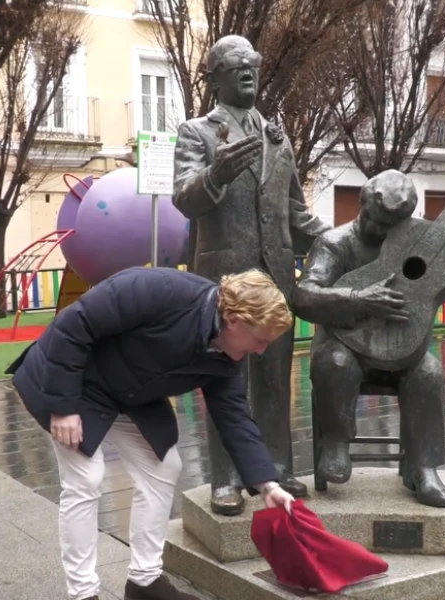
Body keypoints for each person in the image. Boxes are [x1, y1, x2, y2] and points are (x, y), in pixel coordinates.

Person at [6, 267, 298, 600]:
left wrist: (267, 485)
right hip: (72, 383)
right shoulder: (159, 289)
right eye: (260, 340)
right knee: (86, 478)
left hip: (129, 395)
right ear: (235, 319)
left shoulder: (226, 358)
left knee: (164, 467)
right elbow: (76, 323)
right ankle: (82, 592)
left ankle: (145, 582)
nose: (260, 351)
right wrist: (63, 407)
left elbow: (235, 418)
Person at [173, 35, 329, 515]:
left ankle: (277, 468)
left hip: (276, 279)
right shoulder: (196, 132)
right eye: (236, 65)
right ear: (215, 76)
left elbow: (297, 214)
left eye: (254, 65)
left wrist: (339, 240)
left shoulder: (276, 137)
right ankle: (224, 478)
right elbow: (184, 198)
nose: (248, 72)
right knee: (226, 381)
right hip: (225, 281)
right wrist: (215, 175)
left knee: (275, 380)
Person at [293, 170, 445, 507]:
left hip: (405, 351)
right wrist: (357, 299)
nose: (385, 232)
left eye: (394, 226)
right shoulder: (335, 243)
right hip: (347, 346)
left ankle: (423, 468)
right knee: (335, 362)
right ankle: (335, 443)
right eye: (377, 223)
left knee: (430, 374)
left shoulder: (418, 240)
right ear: (362, 208)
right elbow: (303, 295)